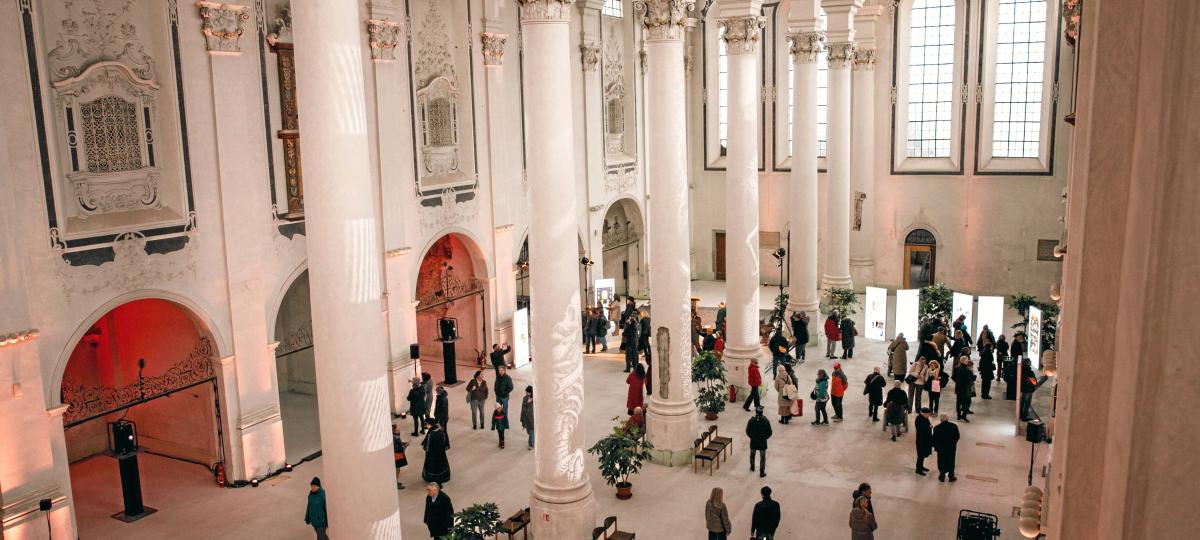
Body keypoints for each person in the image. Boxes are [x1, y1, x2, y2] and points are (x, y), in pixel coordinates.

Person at [746, 406, 773, 477]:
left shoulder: (751, 420)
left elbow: (747, 431)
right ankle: (761, 472)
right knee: (762, 458)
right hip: (762, 443)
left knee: (752, 455)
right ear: (762, 412)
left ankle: (752, 467)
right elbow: (769, 432)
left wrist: (752, 437)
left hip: (753, 442)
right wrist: (764, 438)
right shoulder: (765, 420)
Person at [933, 414, 960, 482]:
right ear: (947, 419)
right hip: (951, 448)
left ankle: (942, 476)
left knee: (941, 461)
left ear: (941, 420)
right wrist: (953, 443)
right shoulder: (954, 426)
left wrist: (936, 447)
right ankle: (951, 476)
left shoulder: (937, 428)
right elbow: (957, 436)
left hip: (941, 449)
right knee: (951, 461)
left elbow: (934, 439)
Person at [953, 356, 975, 422]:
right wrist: (974, 377)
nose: (968, 360)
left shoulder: (957, 368)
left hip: (958, 388)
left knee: (958, 402)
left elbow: (953, 377)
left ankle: (958, 416)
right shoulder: (967, 370)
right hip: (965, 389)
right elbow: (969, 380)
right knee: (967, 402)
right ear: (965, 361)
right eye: (967, 360)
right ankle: (964, 416)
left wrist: (958, 382)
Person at [914, 407, 934, 476]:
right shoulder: (919, 419)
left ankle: (921, 466)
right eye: (928, 414)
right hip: (921, 440)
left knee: (922, 455)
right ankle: (918, 469)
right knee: (920, 455)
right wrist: (929, 427)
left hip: (924, 440)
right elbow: (922, 430)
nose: (929, 415)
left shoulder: (924, 418)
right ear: (924, 414)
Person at [392, 424, 408, 490]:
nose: (399, 430)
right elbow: (397, 449)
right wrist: (405, 446)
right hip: (396, 456)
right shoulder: (394, 438)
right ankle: (395, 483)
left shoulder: (395, 436)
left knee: (397, 469)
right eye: (397, 429)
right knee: (397, 469)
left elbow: (399, 443)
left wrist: (403, 444)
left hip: (397, 455)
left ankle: (396, 482)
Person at [520, 385, 534, 450]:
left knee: (531, 432)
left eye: (528, 392)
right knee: (528, 431)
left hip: (532, 418)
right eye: (526, 392)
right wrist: (522, 419)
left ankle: (531, 444)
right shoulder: (524, 398)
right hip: (526, 417)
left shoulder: (535, 399)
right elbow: (522, 408)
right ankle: (533, 439)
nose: (527, 393)